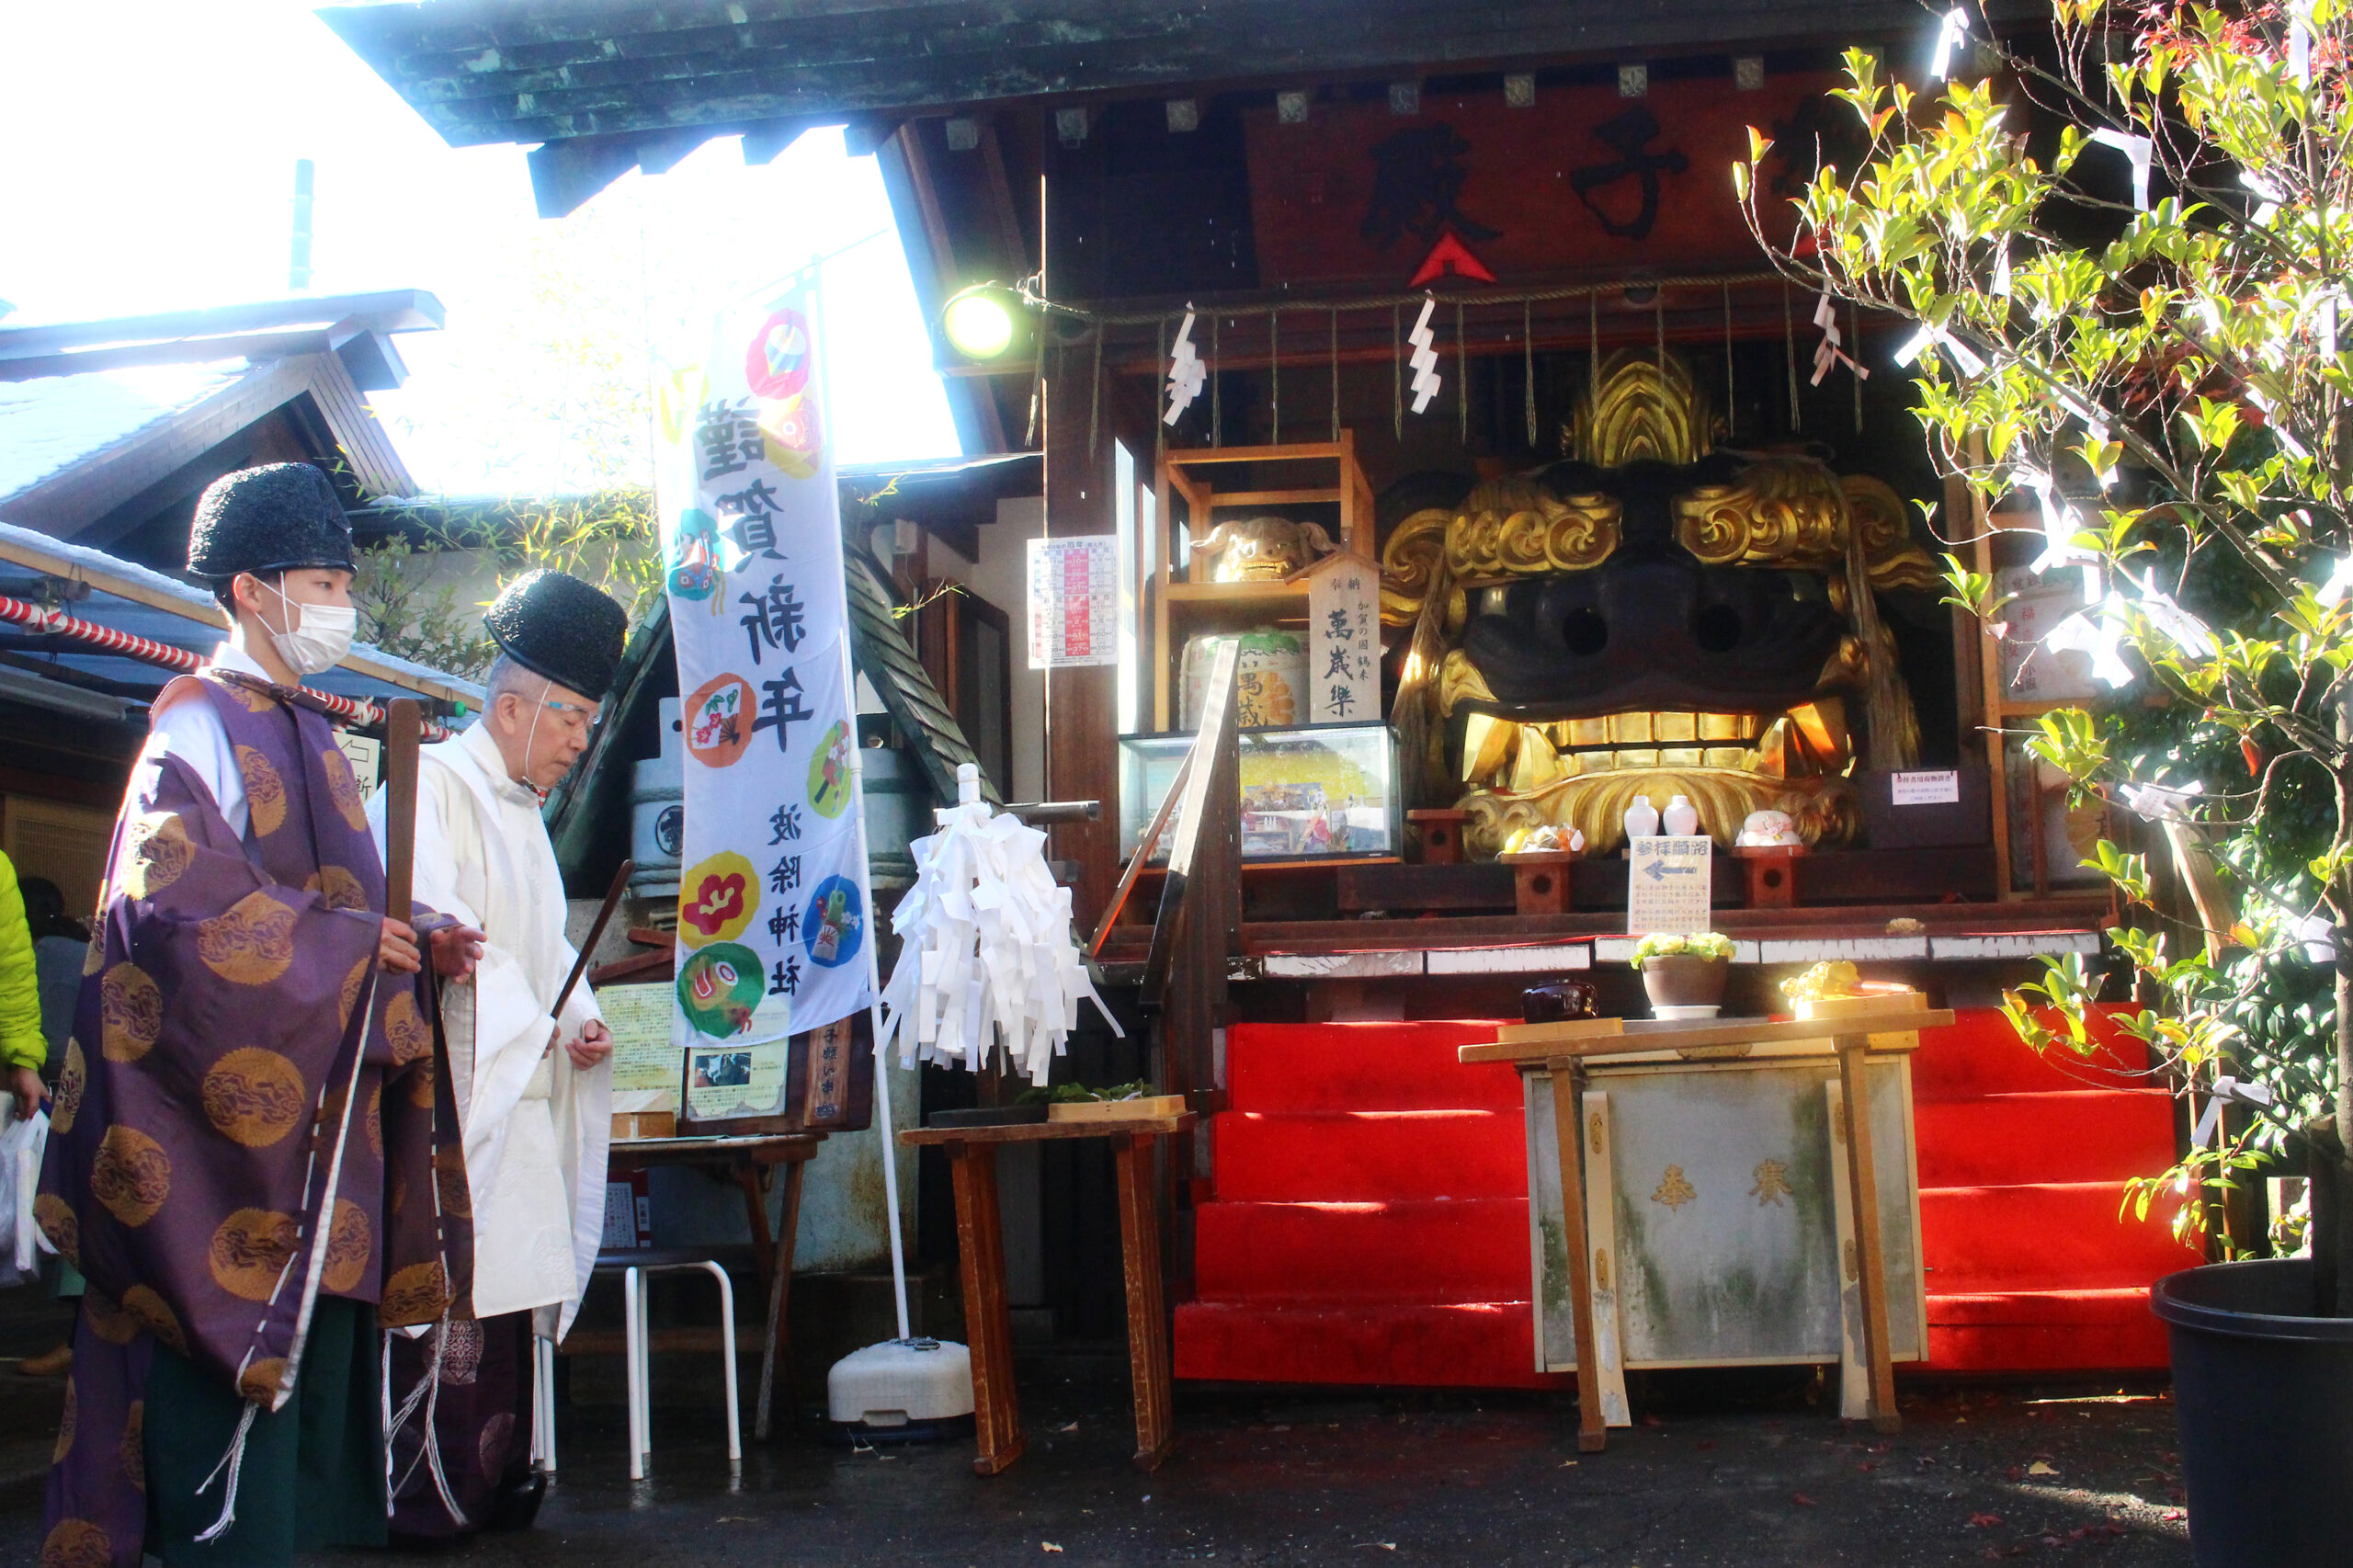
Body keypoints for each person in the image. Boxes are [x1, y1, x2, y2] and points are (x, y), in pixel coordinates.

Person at [36, 462, 480, 1568]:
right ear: (249, 588)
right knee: (220, 1366)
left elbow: (345, 901)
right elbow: (164, 911)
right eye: (323, 582)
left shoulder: (318, 734)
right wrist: (345, 944)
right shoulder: (194, 721)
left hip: (325, 1127)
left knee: (318, 1381)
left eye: (344, 584)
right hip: (224, 1147)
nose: (341, 604)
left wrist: (418, 934)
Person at [367, 569, 622, 1539]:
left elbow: (545, 947)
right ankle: (429, 1495)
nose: (581, 740)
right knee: (457, 1291)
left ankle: (503, 1479)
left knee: (510, 1287)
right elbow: (440, 930)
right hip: (456, 1096)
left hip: (517, 1089)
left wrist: (578, 1015)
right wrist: (533, 1017)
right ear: (513, 707)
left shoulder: (521, 811)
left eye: (588, 722)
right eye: (573, 719)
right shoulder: (432, 786)